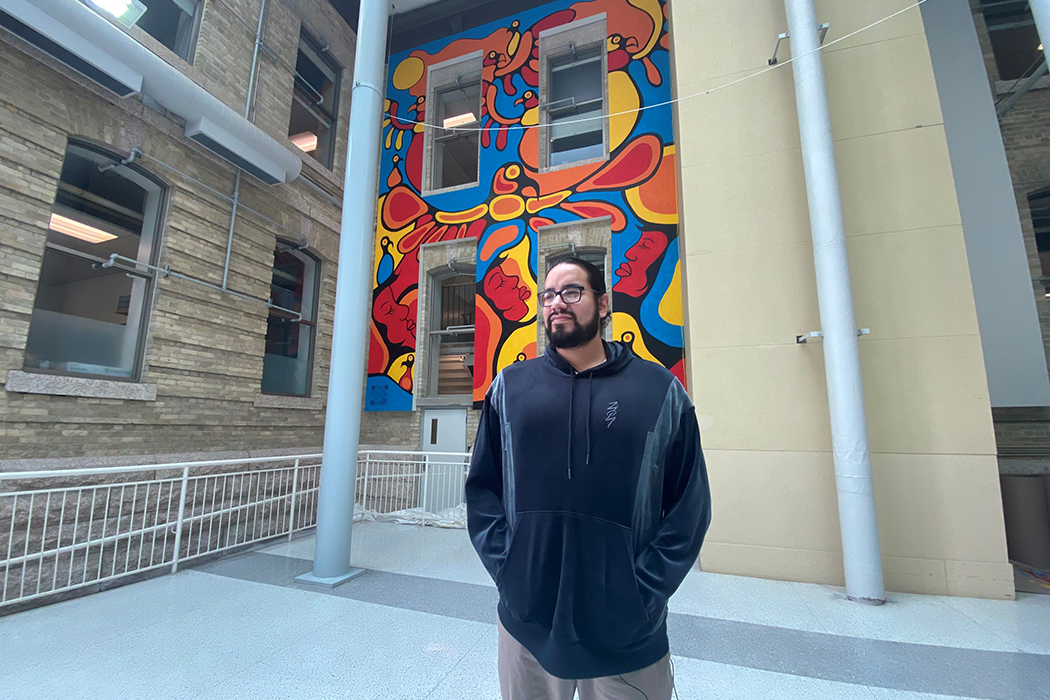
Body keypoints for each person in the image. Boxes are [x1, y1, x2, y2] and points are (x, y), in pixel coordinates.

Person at [466, 257, 712, 699]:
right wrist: (511, 572)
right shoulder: (510, 387)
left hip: (628, 637)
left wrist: (642, 593)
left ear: (603, 305)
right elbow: (483, 490)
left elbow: (689, 509)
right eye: (548, 295)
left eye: (572, 291)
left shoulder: (659, 392)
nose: (557, 303)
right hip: (527, 626)